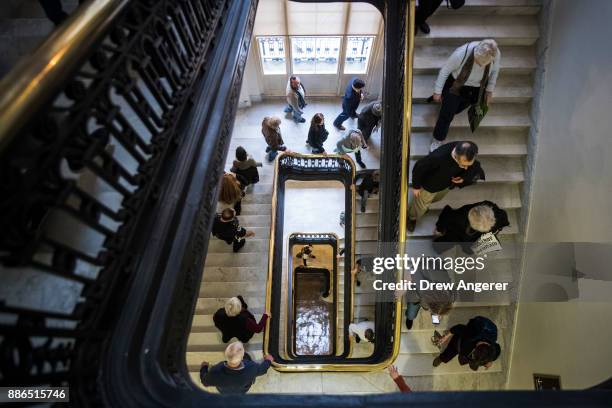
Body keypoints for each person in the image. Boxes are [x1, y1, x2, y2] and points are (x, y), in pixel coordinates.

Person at [430, 39, 501, 152]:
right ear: (475, 53)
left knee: (458, 109)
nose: (480, 65)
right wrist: (437, 91)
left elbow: (495, 72)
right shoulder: (461, 54)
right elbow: (445, 71)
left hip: (476, 87)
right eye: (478, 62)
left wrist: (489, 90)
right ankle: (437, 140)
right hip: (456, 84)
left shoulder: (495, 54)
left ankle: (449, 106)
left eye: (484, 64)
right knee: (446, 115)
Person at [408, 141, 484, 232]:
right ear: (456, 156)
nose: (466, 168)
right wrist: (416, 186)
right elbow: (419, 167)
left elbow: (475, 166)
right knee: (420, 206)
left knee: (436, 199)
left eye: (468, 165)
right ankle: (411, 218)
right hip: (430, 187)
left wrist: (464, 177)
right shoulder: (437, 157)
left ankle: (422, 207)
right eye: (463, 165)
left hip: (446, 185)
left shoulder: (469, 151)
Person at [433, 201, 510, 254]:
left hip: (462, 235)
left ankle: (438, 243)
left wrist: (439, 227)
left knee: (450, 238)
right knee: (469, 249)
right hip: (475, 238)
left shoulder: (460, 219)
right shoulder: (500, 215)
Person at [200, 341, 274, 394]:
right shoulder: (251, 368)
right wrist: (268, 361)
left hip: (223, 391)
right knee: (248, 357)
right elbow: (262, 370)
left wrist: (204, 367)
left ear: (226, 355)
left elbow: (204, 382)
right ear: (242, 357)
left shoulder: (215, 371)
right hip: (243, 390)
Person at [433, 316, 501, 371]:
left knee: (463, 354)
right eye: (475, 350)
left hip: (471, 342)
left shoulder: (493, 350)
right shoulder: (473, 334)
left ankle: (443, 358)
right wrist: (446, 336)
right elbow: (458, 328)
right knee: (450, 352)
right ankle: (441, 358)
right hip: (463, 338)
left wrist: (489, 361)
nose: (474, 348)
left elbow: (497, 350)